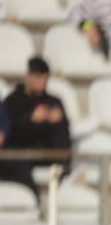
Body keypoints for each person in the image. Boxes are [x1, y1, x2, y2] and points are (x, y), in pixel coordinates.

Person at [1, 57, 73, 197]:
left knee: (60, 128)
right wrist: (31, 119)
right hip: (22, 155)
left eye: (45, 78)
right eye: (38, 77)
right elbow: (10, 133)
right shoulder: (13, 101)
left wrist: (59, 120)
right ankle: (35, 201)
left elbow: (64, 135)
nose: (42, 83)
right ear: (28, 77)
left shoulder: (53, 101)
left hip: (47, 153)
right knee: (19, 164)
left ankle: (66, 176)